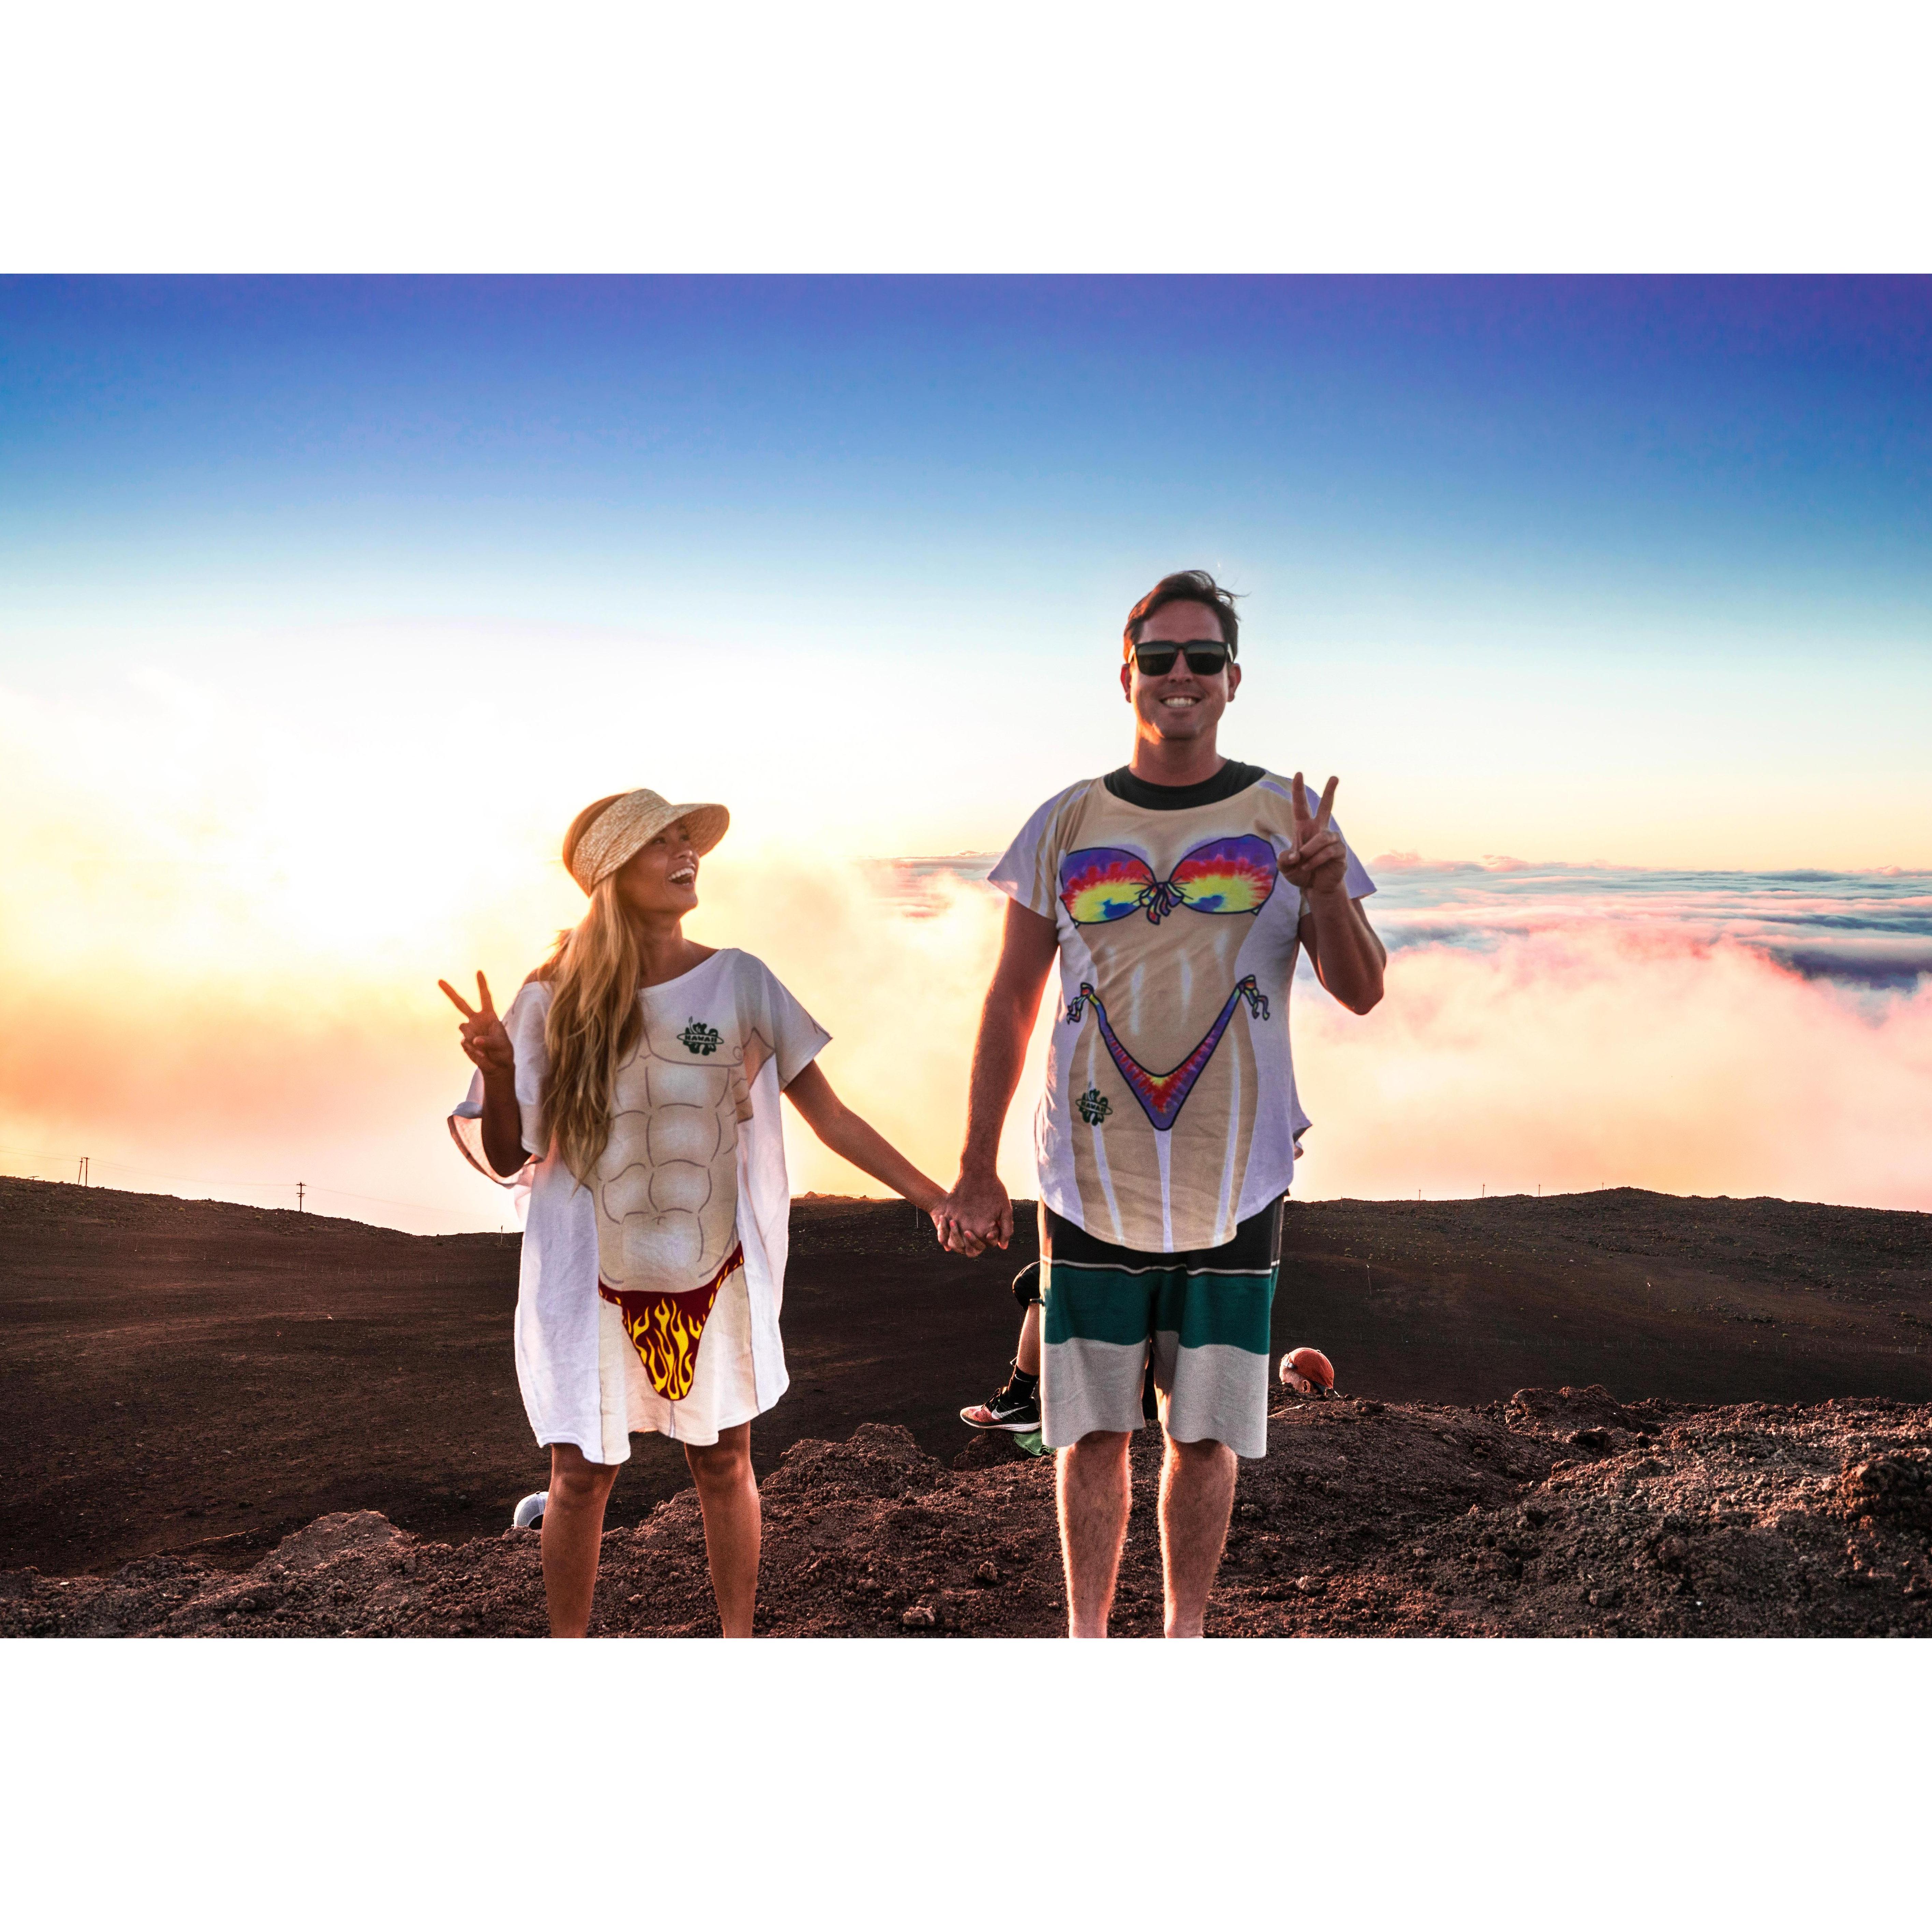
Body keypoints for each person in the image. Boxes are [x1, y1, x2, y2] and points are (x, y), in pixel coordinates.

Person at [938, 570, 1386, 1638]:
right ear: (1126, 674)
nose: (1180, 674)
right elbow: (1010, 998)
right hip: (1087, 1182)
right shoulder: (1065, 822)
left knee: (1205, 1436)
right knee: (1091, 1432)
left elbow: (1363, 989)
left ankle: (1184, 1640)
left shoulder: (1288, 819)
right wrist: (975, 1162)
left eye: (1202, 657)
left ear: (1233, 678)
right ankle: (1090, 1643)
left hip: (1237, 1180)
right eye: (1159, 657)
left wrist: (1326, 890)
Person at [442, 787, 949, 1638]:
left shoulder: (740, 980)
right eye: (664, 842)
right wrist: (497, 1070)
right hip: (589, 1278)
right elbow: (506, 1156)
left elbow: (831, 1116)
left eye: (689, 840)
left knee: (724, 1462)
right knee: (579, 1476)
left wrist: (937, 1197)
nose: (688, 855)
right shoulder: (550, 997)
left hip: (714, 1267)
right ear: (613, 870)